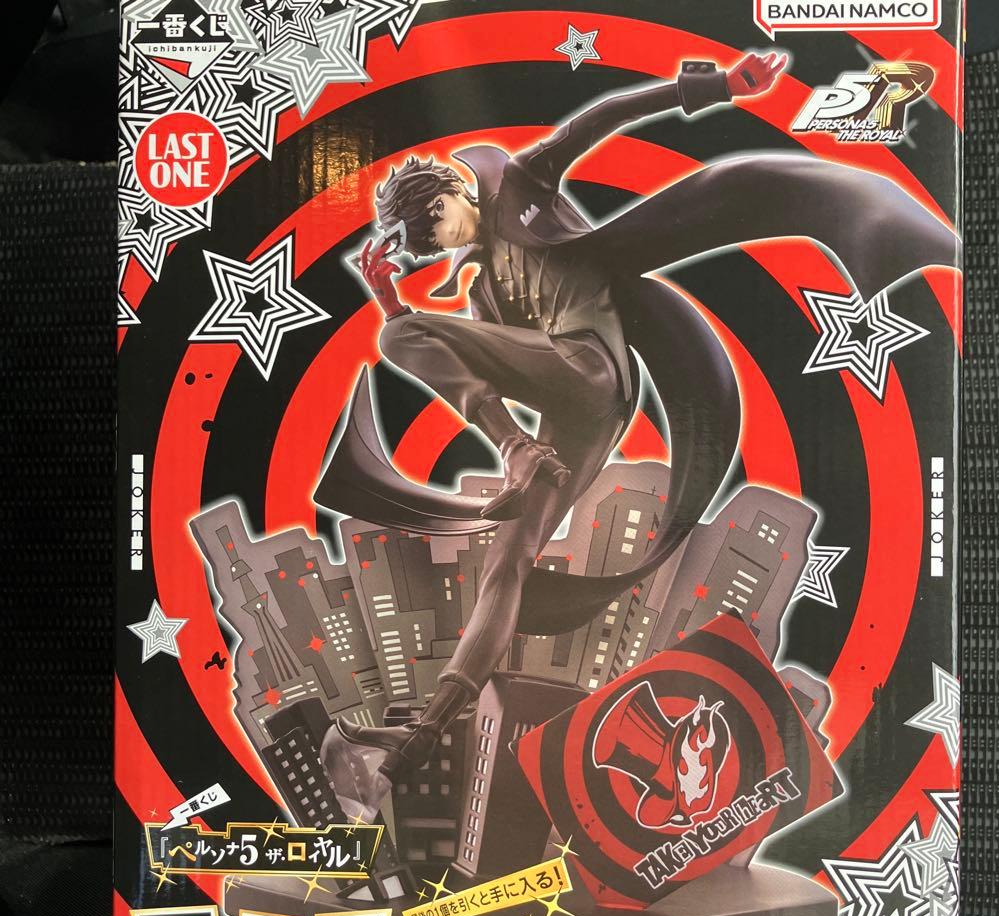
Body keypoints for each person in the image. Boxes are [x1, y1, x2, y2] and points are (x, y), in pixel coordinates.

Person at [315, 52, 956, 816]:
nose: (447, 241)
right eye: (434, 243)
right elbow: (481, 363)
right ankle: (422, 737)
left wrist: (719, 85)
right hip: (571, 419)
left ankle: (516, 451)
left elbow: (602, 117)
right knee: (506, 563)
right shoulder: (484, 293)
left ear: (453, 190)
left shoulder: (519, 184)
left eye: (441, 223)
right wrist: (393, 302)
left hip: (593, 372)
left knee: (404, 336)